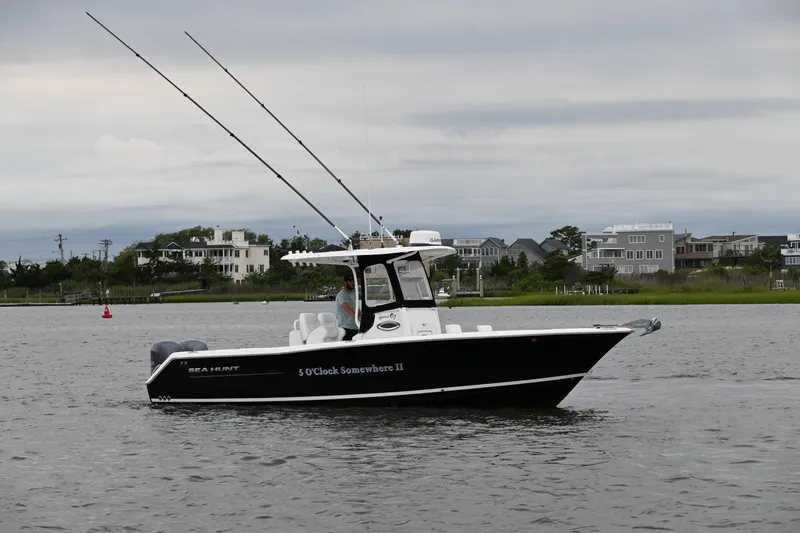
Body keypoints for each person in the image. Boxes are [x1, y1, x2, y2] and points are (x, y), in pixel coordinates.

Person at [335, 273, 361, 340]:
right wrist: (359, 317)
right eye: (350, 281)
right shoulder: (342, 294)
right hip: (346, 328)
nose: (353, 283)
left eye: (354, 281)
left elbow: (357, 309)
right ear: (345, 282)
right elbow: (348, 309)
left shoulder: (352, 295)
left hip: (355, 327)